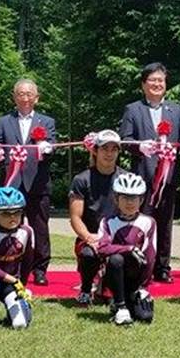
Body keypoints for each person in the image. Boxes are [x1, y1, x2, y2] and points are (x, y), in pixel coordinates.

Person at [119, 62, 180, 283]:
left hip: (168, 178)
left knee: (165, 224)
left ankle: (162, 267)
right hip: (142, 179)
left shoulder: (176, 110)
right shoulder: (133, 109)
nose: (157, 84)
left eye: (160, 80)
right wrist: (138, 146)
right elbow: (125, 140)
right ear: (143, 84)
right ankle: (139, 263)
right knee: (139, 222)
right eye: (152, 80)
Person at [0, 79, 57, 286]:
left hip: (38, 184)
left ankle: (40, 269)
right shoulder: (3, 121)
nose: (25, 98)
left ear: (36, 98)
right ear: (14, 97)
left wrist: (47, 148)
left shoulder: (47, 122)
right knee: (8, 227)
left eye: (29, 94)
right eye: (20, 94)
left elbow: (53, 146)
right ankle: (8, 264)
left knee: (40, 228)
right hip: (11, 185)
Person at [68, 130, 126, 307]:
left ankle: (116, 289)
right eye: (105, 149)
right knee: (88, 254)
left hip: (117, 237)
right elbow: (75, 217)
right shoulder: (81, 179)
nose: (109, 153)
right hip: (90, 236)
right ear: (95, 151)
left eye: (113, 149)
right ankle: (86, 290)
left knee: (121, 258)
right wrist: (88, 238)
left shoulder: (125, 178)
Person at [97, 173, 158, 325]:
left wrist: (143, 287)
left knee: (144, 317)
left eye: (134, 198)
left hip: (136, 276)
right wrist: (128, 249)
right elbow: (102, 248)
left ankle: (129, 298)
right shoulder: (108, 222)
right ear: (116, 199)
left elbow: (150, 257)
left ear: (141, 200)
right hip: (113, 274)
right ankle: (120, 306)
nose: (129, 202)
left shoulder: (148, 222)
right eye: (125, 198)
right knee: (116, 259)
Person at [0, 187, 35, 329]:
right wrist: (12, 279)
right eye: (6, 214)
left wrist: (22, 286)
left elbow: (28, 261)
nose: (12, 217)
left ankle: (15, 307)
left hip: (11, 286)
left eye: (17, 212)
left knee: (20, 324)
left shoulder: (27, 231)